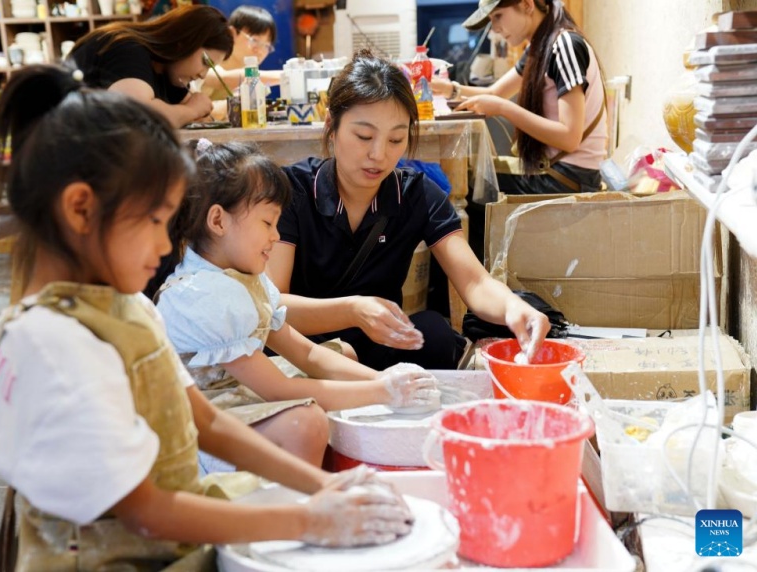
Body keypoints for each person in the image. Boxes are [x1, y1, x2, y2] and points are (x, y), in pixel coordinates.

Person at [0, 65, 414, 570]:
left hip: (166, 517)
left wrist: (325, 486)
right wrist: (309, 519)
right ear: (81, 209)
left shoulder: (129, 305)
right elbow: (149, 514)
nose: (167, 245)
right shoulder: (53, 345)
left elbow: (205, 421)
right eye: (153, 222)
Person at [152, 139, 441, 471]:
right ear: (218, 221)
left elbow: (307, 353)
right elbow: (279, 390)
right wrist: (384, 393)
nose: (276, 236)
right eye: (267, 223)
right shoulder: (203, 294)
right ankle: (298, 502)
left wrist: (386, 378)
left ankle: (323, 464)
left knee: (341, 352)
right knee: (304, 422)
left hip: (240, 394)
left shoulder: (243, 275)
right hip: (206, 424)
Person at [266, 51, 550, 371]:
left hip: (379, 343)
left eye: (396, 139)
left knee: (436, 334)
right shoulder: (293, 190)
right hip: (305, 344)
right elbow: (273, 304)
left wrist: (515, 307)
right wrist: (353, 310)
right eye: (364, 136)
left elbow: (475, 283)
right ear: (332, 125)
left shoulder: (416, 194)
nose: (379, 154)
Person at [432, 0, 608, 194]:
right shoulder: (541, 47)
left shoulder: (565, 46)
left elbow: (569, 138)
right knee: (466, 177)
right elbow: (494, 93)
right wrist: (448, 89)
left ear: (527, 5)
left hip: (568, 178)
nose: (495, 29)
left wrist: (502, 108)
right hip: (555, 172)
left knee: (463, 184)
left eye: (498, 16)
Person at [69, 5, 232, 128]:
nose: (203, 75)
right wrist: (192, 110)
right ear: (184, 43)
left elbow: (195, 115)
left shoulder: (170, 73)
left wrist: (195, 110)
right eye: (205, 62)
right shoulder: (127, 48)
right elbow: (137, 117)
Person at [203, 5, 282, 101]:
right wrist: (285, 75)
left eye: (266, 46)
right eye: (255, 40)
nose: (260, 51)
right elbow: (224, 79)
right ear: (232, 33)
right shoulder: (211, 62)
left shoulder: (254, 79)